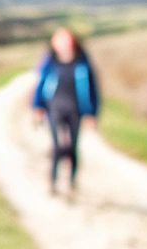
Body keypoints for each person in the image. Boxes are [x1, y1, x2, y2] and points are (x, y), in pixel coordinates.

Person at [31, 26, 100, 196]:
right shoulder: (50, 62)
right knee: (56, 145)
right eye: (59, 39)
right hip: (54, 109)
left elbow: (93, 89)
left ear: (73, 41)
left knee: (73, 146)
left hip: (76, 110)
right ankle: (53, 182)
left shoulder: (82, 62)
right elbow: (39, 86)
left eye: (65, 39)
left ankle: (71, 182)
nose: (62, 43)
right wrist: (37, 107)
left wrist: (92, 113)